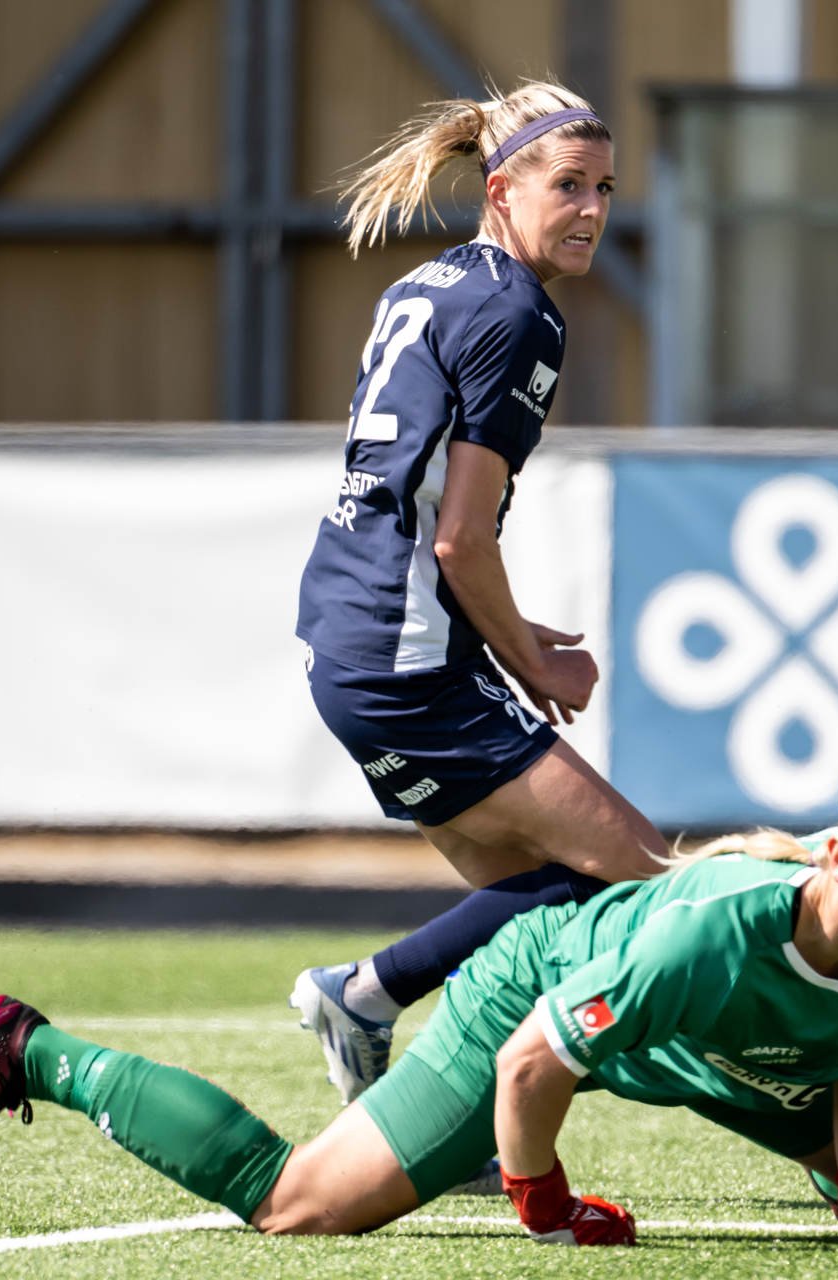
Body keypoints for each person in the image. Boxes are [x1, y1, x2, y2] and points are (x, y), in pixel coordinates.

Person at [0, 763, 838, 1251]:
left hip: (714, 1054)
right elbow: (534, 1062)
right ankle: (33, 1048)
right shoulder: (705, 935)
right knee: (302, 1203)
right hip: (532, 1002)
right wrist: (544, 1200)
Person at [289, 81, 669, 1100]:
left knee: (553, 907)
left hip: (354, 642)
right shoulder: (518, 313)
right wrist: (531, 656)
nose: (592, 209)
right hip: (408, 659)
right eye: (568, 186)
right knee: (660, 892)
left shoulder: (433, 283)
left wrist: (505, 632)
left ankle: (383, 1019)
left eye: (606, 188)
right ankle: (368, 992)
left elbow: (420, 520)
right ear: (501, 188)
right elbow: (459, 539)